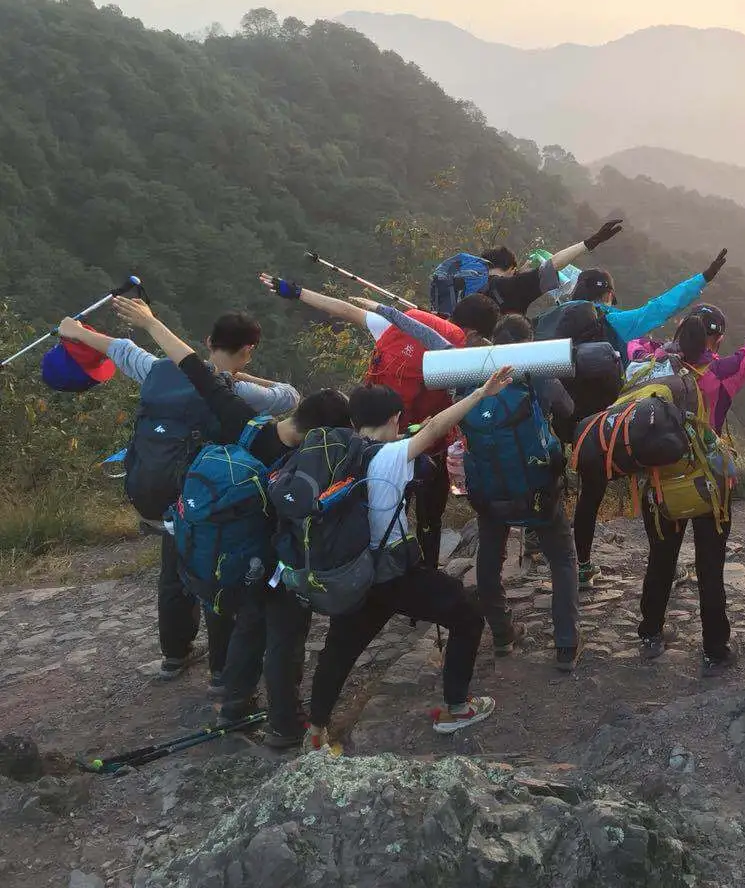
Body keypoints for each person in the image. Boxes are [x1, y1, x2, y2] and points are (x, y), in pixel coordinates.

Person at [107, 295, 349, 747]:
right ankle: (284, 725)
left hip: (230, 554)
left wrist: (151, 322)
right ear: (323, 433)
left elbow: (192, 366)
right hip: (273, 563)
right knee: (284, 637)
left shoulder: (244, 423)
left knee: (247, 624)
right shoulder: (306, 462)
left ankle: (233, 703)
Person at [57, 309, 299, 691]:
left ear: (209, 341)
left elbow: (120, 348)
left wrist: (75, 331)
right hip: (207, 500)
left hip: (159, 494)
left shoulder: (157, 370)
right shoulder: (236, 392)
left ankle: (174, 654)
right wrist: (243, 376)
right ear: (248, 350)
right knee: (214, 571)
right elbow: (288, 397)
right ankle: (222, 673)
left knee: (173, 572)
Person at [301, 371, 515, 745]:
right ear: (394, 418)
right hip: (393, 573)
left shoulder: (340, 453)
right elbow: (435, 429)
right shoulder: (391, 456)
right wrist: (481, 392)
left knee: (340, 649)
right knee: (467, 616)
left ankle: (316, 731)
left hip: (353, 571)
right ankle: (457, 708)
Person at [260, 273, 501, 571]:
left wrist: (296, 291)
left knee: (381, 508)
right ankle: (425, 571)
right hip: (429, 446)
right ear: (473, 333)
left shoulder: (398, 327)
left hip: (379, 444)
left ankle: (373, 567)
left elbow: (344, 310)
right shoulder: (456, 355)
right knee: (430, 517)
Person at [635, 302, 745, 676]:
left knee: (661, 558)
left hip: (661, 481)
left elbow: (630, 343)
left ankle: (650, 633)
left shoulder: (654, 365)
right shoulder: (723, 371)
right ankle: (715, 649)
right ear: (717, 338)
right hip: (709, 485)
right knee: (710, 565)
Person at [567, 249, 730, 587]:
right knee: (654, 483)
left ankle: (581, 565)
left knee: (589, 496)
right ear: (608, 295)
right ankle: (664, 563)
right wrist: (703, 278)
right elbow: (660, 307)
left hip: (576, 424)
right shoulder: (612, 320)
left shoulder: (559, 318)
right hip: (620, 418)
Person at [464, 314, 581, 671]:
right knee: (562, 558)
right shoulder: (537, 373)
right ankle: (566, 645)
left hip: (488, 490)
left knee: (489, 558)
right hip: (535, 487)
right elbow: (568, 408)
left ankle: (502, 633)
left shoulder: (471, 374)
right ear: (528, 342)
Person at [480, 219, 625, 315]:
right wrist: (591, 242)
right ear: (512, 270)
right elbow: (554, 264)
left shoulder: (469, 284)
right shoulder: (508, 287)